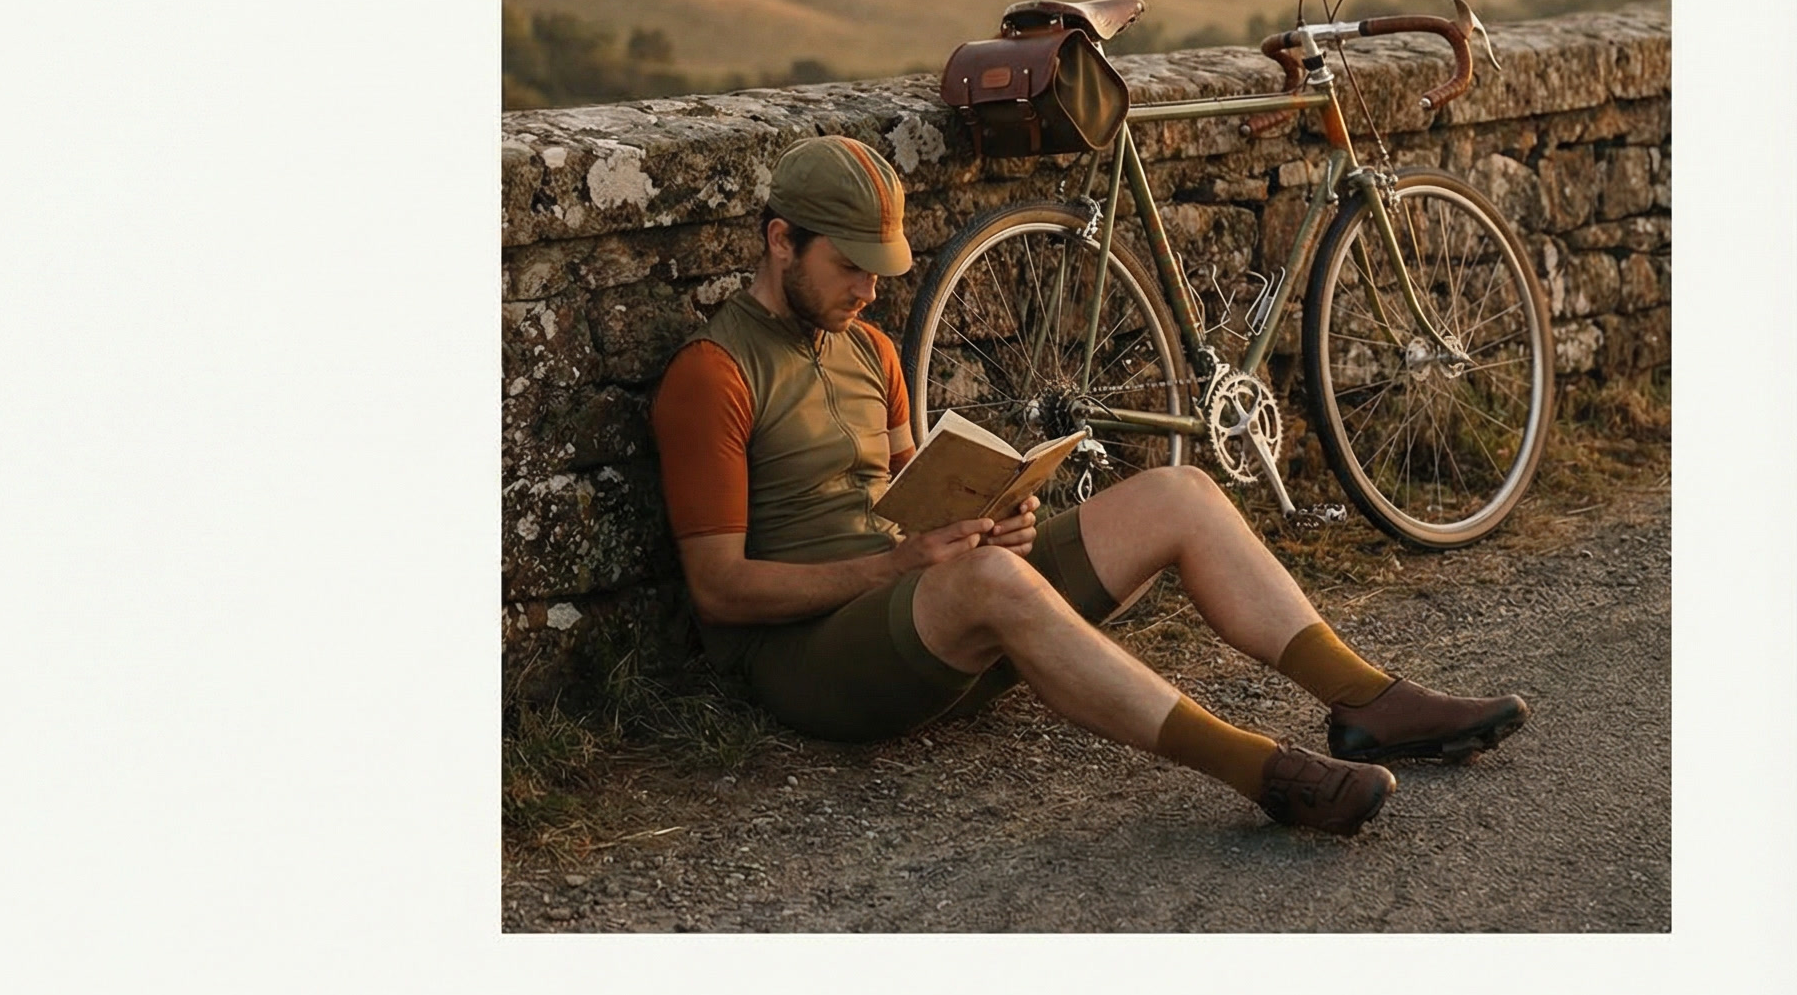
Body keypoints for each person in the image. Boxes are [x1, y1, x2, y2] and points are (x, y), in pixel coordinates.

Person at [650, 135, 1530, 835]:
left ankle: (1367, 701)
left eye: (882, 267)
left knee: (1178, 496)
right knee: (986, 581)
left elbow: (908, 486)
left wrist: (987, 514)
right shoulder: (713, 374)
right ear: (780, 240)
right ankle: (1260, 771)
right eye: (850, 266)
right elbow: (720, 592)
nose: (872, 290)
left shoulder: (872, 351)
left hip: (931, 620)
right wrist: (904, 567)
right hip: (815, 664)